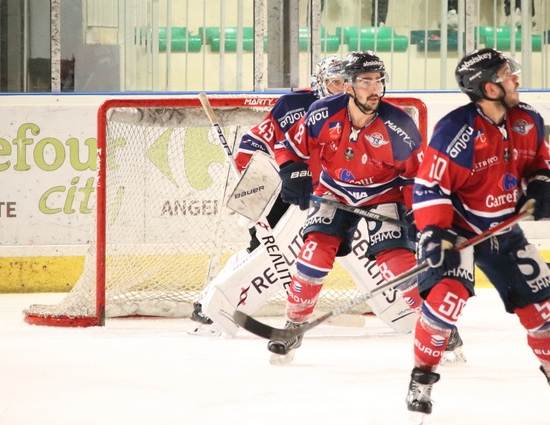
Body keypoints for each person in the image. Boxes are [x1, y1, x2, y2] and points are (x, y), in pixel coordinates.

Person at [403, 48, 550, 421]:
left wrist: (544, 186)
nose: (515, 78)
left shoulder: (527, 119)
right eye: (506, 74)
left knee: (543, 310)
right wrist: (434, 233)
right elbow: (430, 186)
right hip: (458, 229)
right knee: (444, 303)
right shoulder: (457, 130)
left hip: (503, 230)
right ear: (489, 87)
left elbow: (539, 163)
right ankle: (421, 382)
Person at [268, 50, 464, 365]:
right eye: (365, 82)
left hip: (383, 194)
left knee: (399, 266)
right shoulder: (321, 114)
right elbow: (286, 146)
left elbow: (416, 177)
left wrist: (419, 215)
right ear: (347, 86)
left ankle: (440, 327)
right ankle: (293, 327)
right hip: (334, 191)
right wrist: (292, 170)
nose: (374, 89)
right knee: (314, 253)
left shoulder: (398, 125)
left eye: (378, 81)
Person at [189, 55, 345, 327]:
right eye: (335, 83)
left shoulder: (352, 111)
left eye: (347, 83)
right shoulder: (293, 104)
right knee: (260, 247)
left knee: (289, 252)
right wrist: (245, 172)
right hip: (275, 183)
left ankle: (222, 303)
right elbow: (258, 137)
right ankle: (207, 302)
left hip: (315, 191)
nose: (342, 89)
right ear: (320, 82)